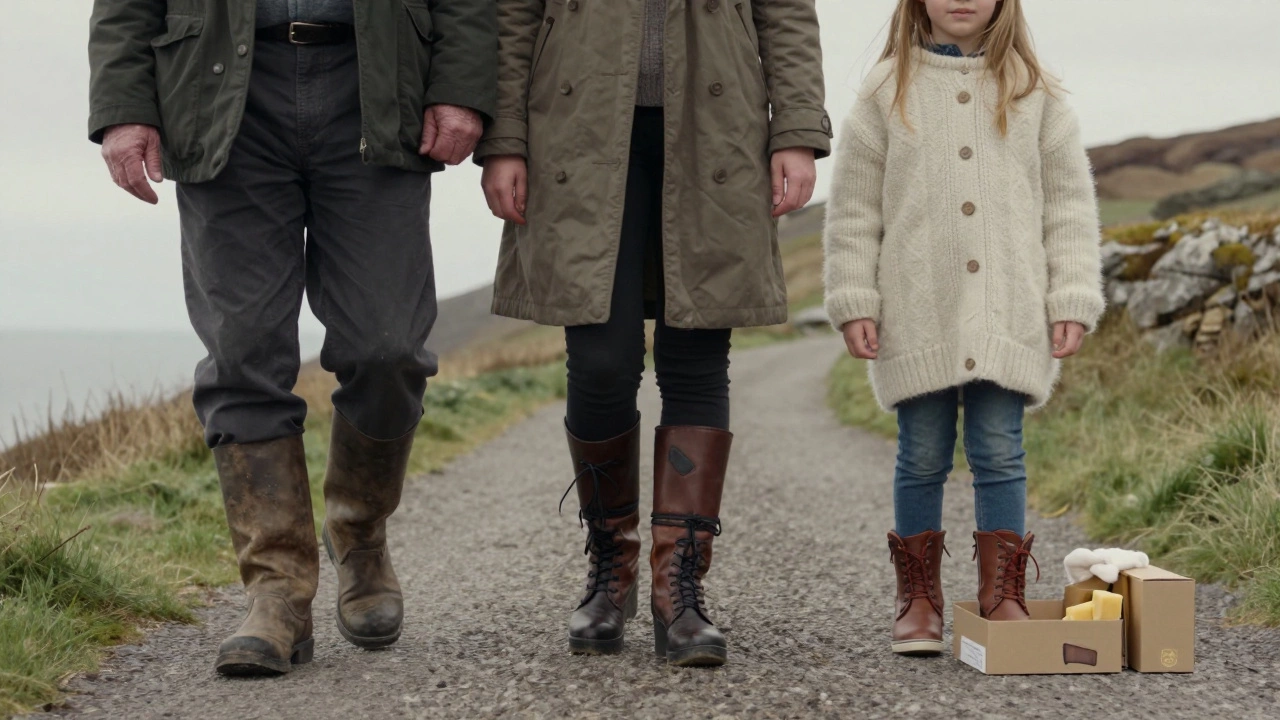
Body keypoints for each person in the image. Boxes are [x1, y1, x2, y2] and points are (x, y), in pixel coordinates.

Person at [88, 0, 496, 675]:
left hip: (375, 86)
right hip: (220, 93)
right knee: (242, 353)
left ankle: (359, 532)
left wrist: (460, 88)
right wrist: (124, 106)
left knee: (386, 348)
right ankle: (276, 590)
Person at [476, 1, 831, 666]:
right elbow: (514, 14)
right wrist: (504, 139)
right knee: (602, 359)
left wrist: (798, 130)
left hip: (715, 123)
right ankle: (611, 567)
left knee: (696, 352)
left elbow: (786, 12)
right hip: (574, 126)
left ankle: (681, 584)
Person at [822, 0, 1104, 656]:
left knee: (1000, 451)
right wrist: (854, 297)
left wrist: (1071, 297)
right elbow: (856, 207)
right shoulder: (885, 90)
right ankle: (917, 601)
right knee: (920, 454)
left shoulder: (1036, 94)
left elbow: (1068, 205)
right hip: (917, 313)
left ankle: (1001, 597)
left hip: (1010, 312)